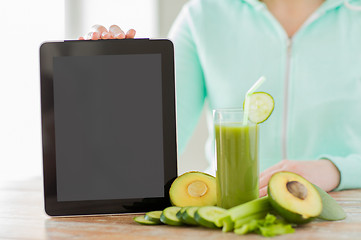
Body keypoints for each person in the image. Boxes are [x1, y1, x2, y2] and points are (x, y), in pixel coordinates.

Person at [82, 0, 361, 196]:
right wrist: (115, 87)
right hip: (228, 212)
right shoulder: (202, 14)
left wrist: (336, 171)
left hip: (343, 206)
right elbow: (150, 151)